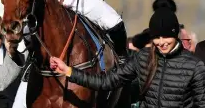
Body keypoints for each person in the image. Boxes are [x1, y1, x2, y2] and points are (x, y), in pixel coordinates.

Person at [50, 7, 205, 108]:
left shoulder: (195, 66)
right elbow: (106, 81)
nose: (162, 42)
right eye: (157, 37)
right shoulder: (143, 58)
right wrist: (69, 71)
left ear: (175, 35)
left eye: (167, 37)